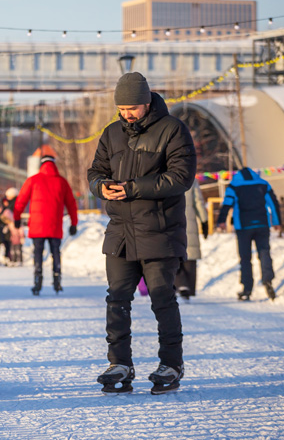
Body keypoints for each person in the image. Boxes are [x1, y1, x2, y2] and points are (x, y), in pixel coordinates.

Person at [87, 72, 196, 394]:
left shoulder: (173, 130)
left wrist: (133, 189)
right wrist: (100, 187)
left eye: (132, 108)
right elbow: (96, 170)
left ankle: (171, 364)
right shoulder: (111, 133)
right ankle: (119, 363)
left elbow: (181, 177)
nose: (126, 114)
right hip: (120, 231)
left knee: (163, 300)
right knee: (116, 299)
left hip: (160, 230)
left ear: (147, 102)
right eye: (122, 108)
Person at [13, 155, 78, 295]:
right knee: (55, 252)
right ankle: (57, 280)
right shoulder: (62, 181)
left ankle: (37, 281)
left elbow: (21, 200)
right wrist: (74, 223)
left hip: (37, 225)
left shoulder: (33, 180)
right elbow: (71, 204)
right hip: (54, 225)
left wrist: (17, 218)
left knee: (37, 253)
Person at [216, 167, 280, 301]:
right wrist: (276, 221)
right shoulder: (262, 183)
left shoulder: (234, 185)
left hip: (243, 226)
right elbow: (273, 203)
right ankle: (268, 280)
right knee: (264, 253)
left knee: (245, 258)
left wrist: (221, 221)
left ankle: (247, 289)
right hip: (262, 224)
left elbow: (227, 203)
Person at [176, 179, 208, 300]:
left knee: (174, 252)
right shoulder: (192, 180)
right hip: (190, 221)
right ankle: (188, 286)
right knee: (190, 253)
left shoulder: (165, 176)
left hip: (172, 219)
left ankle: (180, 283)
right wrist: (204, 220)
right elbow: (198, 202)